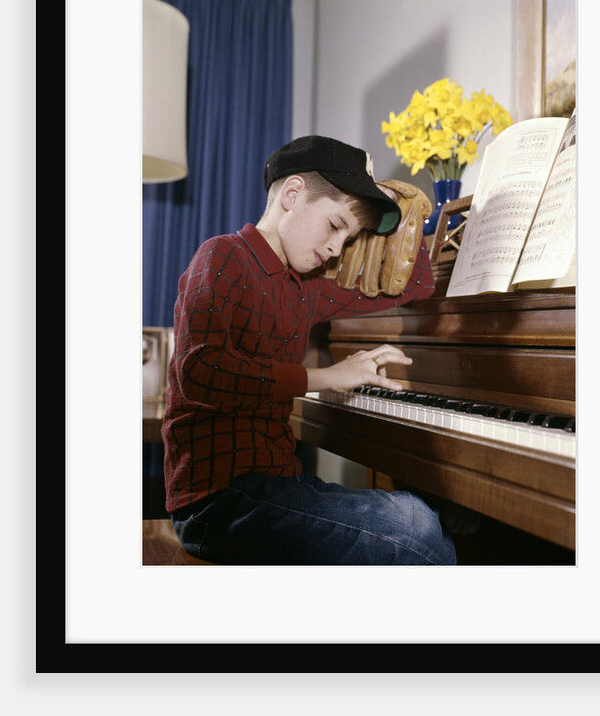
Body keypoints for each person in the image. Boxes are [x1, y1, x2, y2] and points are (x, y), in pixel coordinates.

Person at [161, 135, 457, 565]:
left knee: (419, 517)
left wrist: (405, 208)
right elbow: (201, 372)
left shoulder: (309, 288)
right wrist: (328, 377)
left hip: (279, 485)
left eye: (350, 238)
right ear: (292, 194)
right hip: (216, 501)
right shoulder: (221, 256)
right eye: (336, 225)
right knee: (418, 530)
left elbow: (417, 286)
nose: (338, 248)